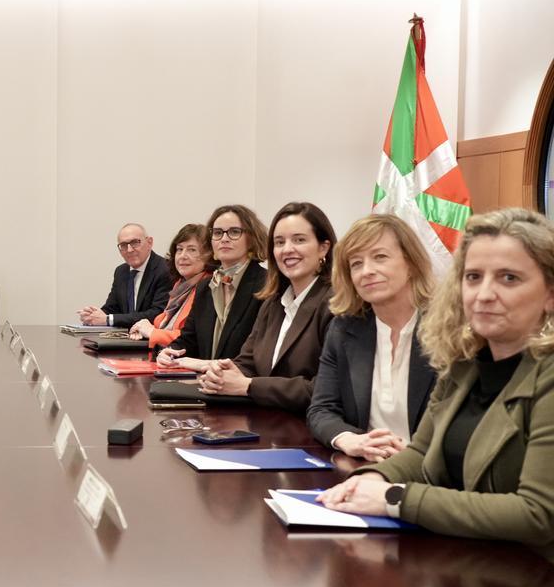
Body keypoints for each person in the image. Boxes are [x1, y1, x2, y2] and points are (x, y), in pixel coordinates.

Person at [318, 208, 554, 560]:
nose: (484, 294)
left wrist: (395, 499)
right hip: (464, 563)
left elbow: (537, 515)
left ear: (550, 294)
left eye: (509, 278)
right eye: (473, 277)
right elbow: (421, 452)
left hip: (530, 581)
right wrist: (372, 479)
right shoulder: (463, 364)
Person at [307, 215, 438, 460]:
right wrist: (351, 440)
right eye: (356, 264)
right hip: (364, 466)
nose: (367, 271)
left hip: (429, 474)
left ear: (410, 263)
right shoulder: (344, 329)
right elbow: (321, 410)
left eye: (380, 257)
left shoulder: (446, 329)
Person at [192, 201, 337, 414]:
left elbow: (325, 390)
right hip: (264, 422)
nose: (287, 249)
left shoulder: (335, 304)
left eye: (299, 240)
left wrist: (249, 386)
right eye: (279, 242)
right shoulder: (273, 302)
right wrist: (221, 372)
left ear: (323, 247)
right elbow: (248, 361)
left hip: (306, 431)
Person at [156, 204, 269, 369]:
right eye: (217, 233)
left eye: (234, 232)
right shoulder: (205, 286)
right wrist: (169, 352)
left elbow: (259, 355)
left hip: (242, 387)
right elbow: (189, 339)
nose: (224, 238)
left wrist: (207, 365)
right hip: (207, 385)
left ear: (251, 239)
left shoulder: (266, 285)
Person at [129, 224, 213, 346]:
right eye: (179, 249)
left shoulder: (208, 288)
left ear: (209, 255)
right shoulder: (181, 285)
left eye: (192, 250)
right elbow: (164, 324)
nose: (183, 256)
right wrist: (143, 327)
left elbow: (193, 339)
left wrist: (152, 332)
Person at [77, 223, 173, 329]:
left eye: (135, 242)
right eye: (123, 245)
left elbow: (158, 314)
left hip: (152, 340)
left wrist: (108, 319)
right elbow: (112, 309)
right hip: (125, 338)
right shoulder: (121, 271)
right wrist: (93, 316)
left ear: (149, 242)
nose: (129, 250)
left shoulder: (165, 269)